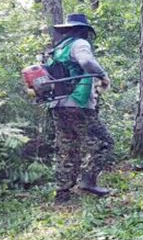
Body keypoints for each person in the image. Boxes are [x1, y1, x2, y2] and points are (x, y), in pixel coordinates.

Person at [48, 13, 114, 204]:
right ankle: (88, 181)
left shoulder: (57, 49)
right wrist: (103, 75)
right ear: (83, 30)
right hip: (78, 104)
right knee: (104, 143)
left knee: (68, 149)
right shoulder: (79, 44)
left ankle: (62, 194)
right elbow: (86, 62)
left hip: (58, 104)